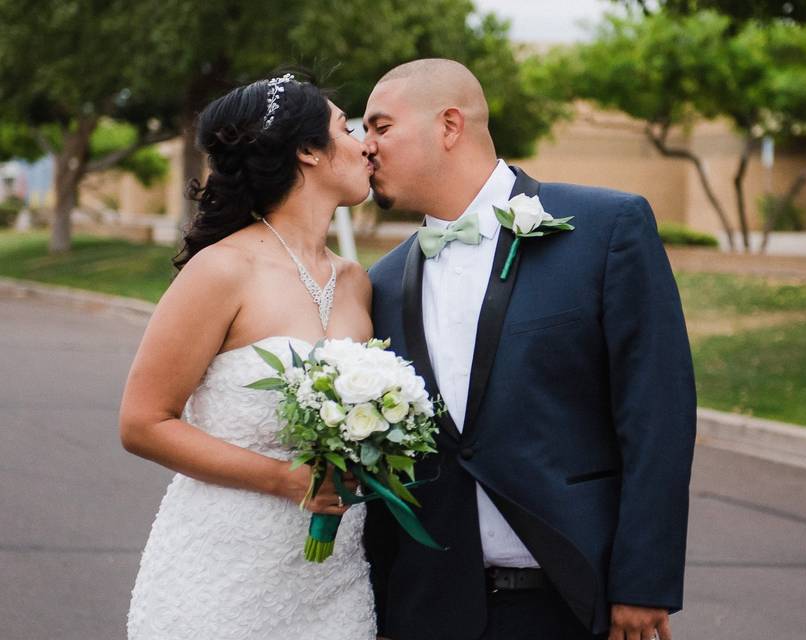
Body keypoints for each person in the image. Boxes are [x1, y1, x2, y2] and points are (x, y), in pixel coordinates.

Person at [362, 59, 697, 640]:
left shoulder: (604, 228)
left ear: (448, 126)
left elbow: (657, 413)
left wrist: (644, 581)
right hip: (431, 607)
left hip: (569, 601)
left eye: (380, 127)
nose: (365, 148)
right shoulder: (383, 281)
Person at [120, 74, 378, 639]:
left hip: (333, 587)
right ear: (308, 151)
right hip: (222, 574)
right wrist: (284, 479)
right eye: (347, 127)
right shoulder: (223, 269)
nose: (367, 144)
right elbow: (142, 423)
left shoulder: (357, 281)